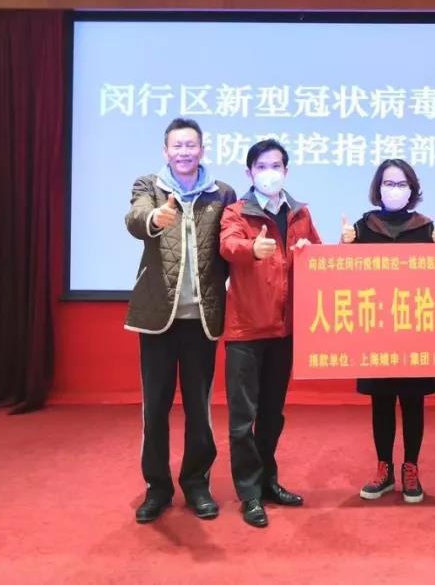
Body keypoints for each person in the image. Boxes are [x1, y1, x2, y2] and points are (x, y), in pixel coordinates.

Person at [123, 117, 237, 524]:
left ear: (202, 149)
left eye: (191, 145)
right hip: (158, 316)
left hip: (201, 318)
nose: (184, 151)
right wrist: (155, 219)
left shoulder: (222, 193)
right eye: (177, 145)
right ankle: (157, 487)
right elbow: (135, 218)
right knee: (155, 407)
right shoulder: (149, 186)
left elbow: (231, 242)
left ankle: (196, 483)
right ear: (166, 150)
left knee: (198, 408)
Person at [219, 139, 321, 528]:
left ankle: (267, 481)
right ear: (249, 172)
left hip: (284, 329)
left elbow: (319, 255)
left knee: (272, 414)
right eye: (261, 166)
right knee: (242, 418)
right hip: (246, 329)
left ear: (286, 171)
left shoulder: (299, 213)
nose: (269, 172)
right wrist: (252, 248)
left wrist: (311, 251)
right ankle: (249, 493)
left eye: (276, 165)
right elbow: (228, 245)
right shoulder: (236, 211)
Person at [341, 159, 435, 504]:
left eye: (402, 184)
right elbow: (345, 279)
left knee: (414, 401)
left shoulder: (427, 229)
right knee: (381, 401)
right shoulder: (363, 228)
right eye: (389, 183)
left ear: (412, 189)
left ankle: (411, 467)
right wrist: (345, 248)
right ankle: (384, 468)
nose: (395, 190)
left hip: (415, 330)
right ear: (378, 188)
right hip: (376, 331)